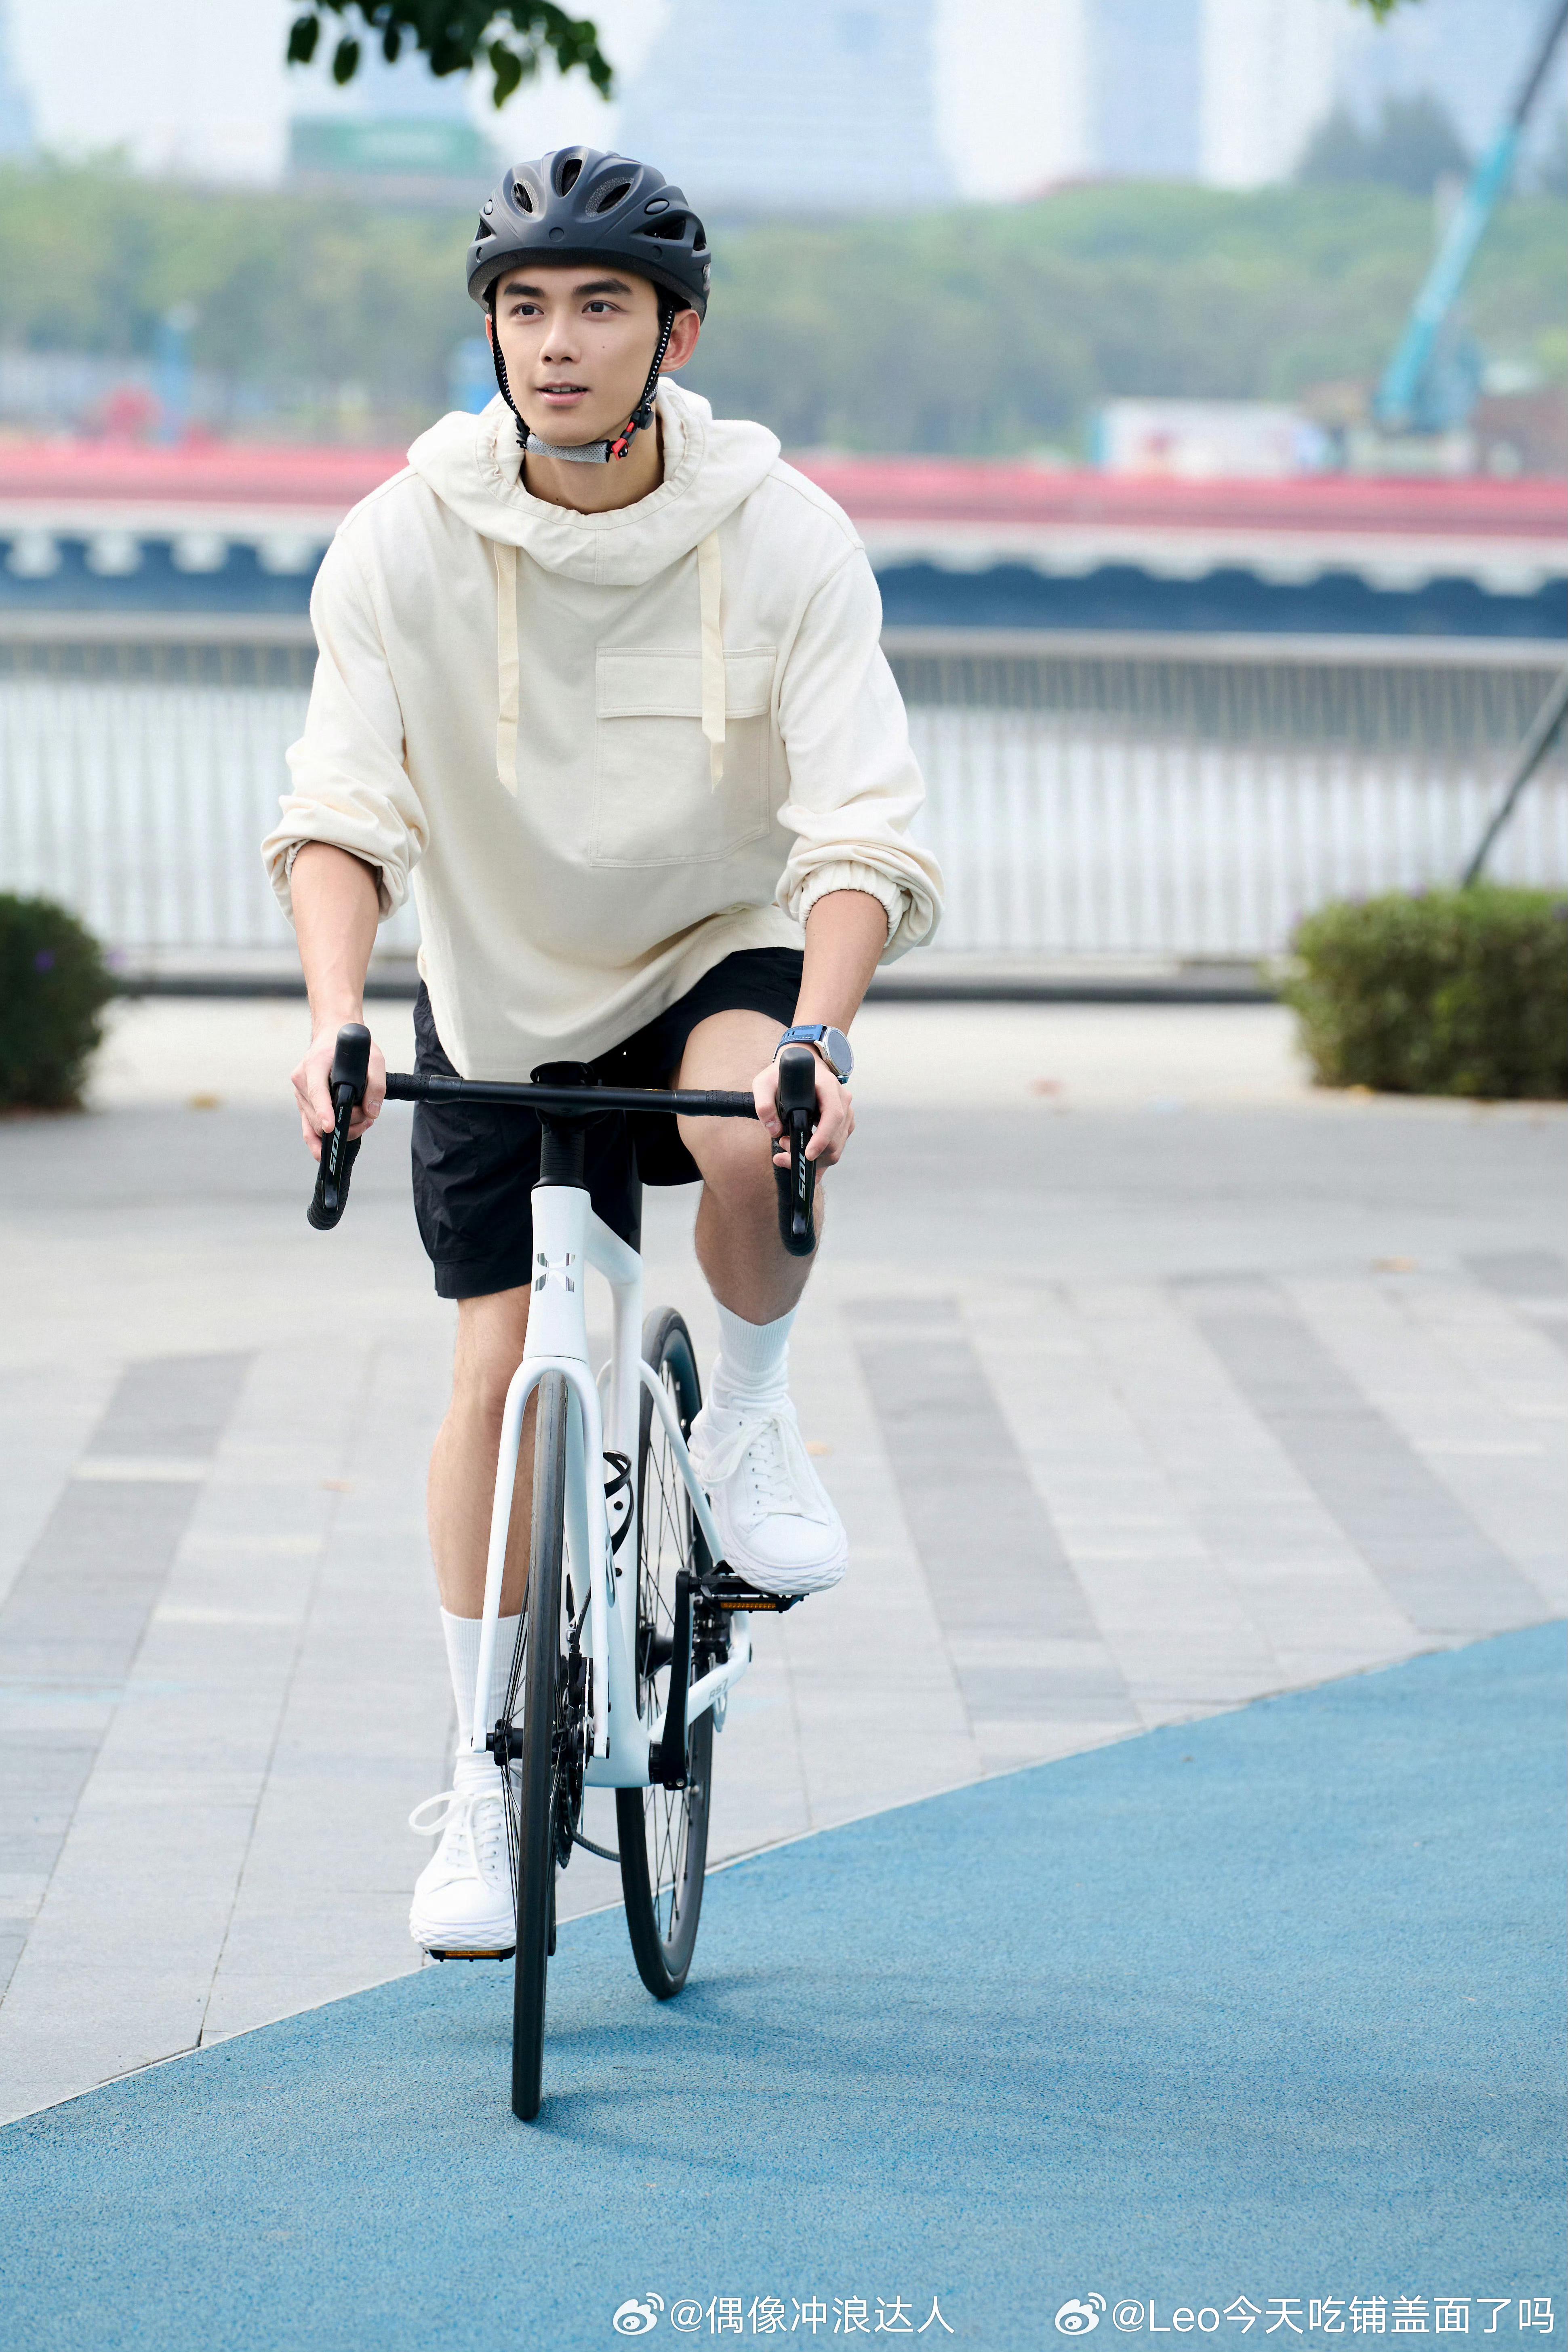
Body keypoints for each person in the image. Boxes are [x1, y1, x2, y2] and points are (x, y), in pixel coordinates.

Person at [262, 146, 942, 1958]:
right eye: (523, 307)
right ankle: (481, 1782)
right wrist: (335, 1015)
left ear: (675, 335)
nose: (556, 342)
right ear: (490, 331)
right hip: (497, 986)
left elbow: (860, 825)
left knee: (746, 1130)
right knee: (496, 1368)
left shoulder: (781, 533)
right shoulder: (401, 536)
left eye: (600, 306)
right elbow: (340, 808)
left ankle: (751, 1429)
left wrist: (819, 1038)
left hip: (718, 943)